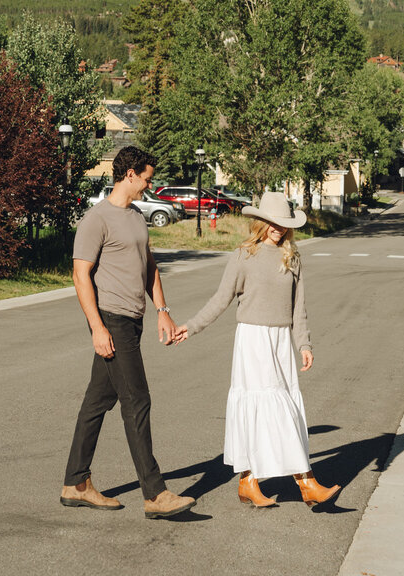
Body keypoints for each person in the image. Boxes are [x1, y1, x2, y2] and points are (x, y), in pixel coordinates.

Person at [178, 190, 340, 510]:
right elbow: (221, 299)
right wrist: (192, 326)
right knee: (272, 409)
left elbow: (298, 307)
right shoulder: (244, 255)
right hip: (253, 340)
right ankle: (306, 483)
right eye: (272, 222)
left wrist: (303, 344)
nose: (278, 228)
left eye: (283, 223)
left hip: (281, 341)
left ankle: (248, 482)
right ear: (261, 222)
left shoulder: (292, 257)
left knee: (285, 407)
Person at [61, 145, 196, 520]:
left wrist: (163, 312)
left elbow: (149, 266)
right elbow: (80, 275)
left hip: (133, 320)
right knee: (137, 401)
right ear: (130, 174)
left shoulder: (136, 217)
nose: (149, 186)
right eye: (147, 179)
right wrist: (97, 328)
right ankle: (154, 494)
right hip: (113, 320)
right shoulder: (96, 219)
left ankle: (76, 483)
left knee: (97, 402)